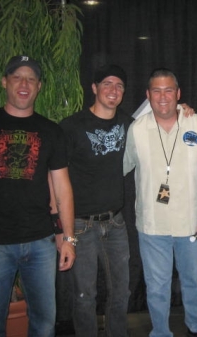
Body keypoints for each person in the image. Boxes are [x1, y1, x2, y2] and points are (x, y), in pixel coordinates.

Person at [0, 55, 75, 336]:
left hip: (40, 244)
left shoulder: (51, 131)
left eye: (31, 78)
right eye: (17, 77)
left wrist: (68, 238)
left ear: (38, 86)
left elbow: (62, 189)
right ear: (5, 82)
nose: (24, 83)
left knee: (44, 324)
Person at [123, 68, 197, 337]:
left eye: (168, 90)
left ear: (178, 94)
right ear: (147, 95)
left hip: (191, 223)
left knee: (192, 280)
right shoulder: (137, 129)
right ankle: (161, 332)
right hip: (152, 225)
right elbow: (118, 168)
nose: (162, 97)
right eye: (156, 90)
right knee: (156, 285)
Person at [59, 64, 132, 337]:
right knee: (83, 294)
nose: (113, 90)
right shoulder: (71, 126)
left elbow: (160, 119)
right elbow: (54, 178)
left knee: (121, 291)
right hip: (80, 225)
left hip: (115, 223)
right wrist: (61, 230)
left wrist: (184, 110)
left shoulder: (128, 124)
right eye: (107, 84)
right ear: (94, 88)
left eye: (119, 86)